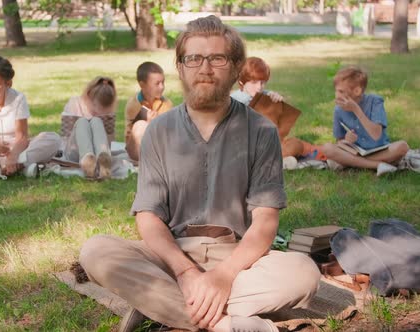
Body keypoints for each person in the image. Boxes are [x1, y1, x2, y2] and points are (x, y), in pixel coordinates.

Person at [79, 16, 320, 332]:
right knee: (96, 251)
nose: (205, 68)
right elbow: (148, 217)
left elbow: (265, 221)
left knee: (304, 273)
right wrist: (185, 272)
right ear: (180, 68)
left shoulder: (261, 130)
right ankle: (222, 324)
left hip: (239, 258)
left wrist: (223, 276)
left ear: (235, 69)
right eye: (194, 58)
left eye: (217, 58)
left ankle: (166, 305)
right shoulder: (159, 131)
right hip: (170, 256)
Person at [0, 56, 61, 176]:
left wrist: (13, 156)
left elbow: (22, 138)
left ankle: (3, 169)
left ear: (8, 83)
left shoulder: (18, 99)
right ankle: (23, 167)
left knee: (53, 138)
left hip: (18, 149)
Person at [231, 57, 326, 166]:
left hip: (268, 145)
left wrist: (277, 101)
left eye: (262, 83)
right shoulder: (234, 100)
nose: (258, 87)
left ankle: (280, 160)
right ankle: (278, 161)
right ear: (241, 81)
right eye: (254, 82)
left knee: (295, 144)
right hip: (245, 149)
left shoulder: (265, 95)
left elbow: (279, 127)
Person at [321, 66, 409, 176]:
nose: (336, 95)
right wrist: (346, 140)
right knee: (326, 148)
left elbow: (376, 135)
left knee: (402, 147)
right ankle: (377, 165)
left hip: (379, 151)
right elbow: (339, 141)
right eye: (336, 91)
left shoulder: (375, 102)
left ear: (357, 91)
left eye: (341, 91)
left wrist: (356, 109)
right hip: (354, 152)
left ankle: (351, 162)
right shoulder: (338, 109)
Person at [61, 76, 117, 179]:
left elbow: (110, 141)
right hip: (73, 152)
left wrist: (107, 125)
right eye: (94, 112)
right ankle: (87, 160)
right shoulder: (74, 104)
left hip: (98, 150)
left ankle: (103, 159)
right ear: (87, 96)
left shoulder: (108, 112)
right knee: (82, 121)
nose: (96, 113)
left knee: (96, 121)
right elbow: (65, 137)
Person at [124, 62, 173, 161]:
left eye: (163, 82)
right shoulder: (133, 104)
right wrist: (150, 124)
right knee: (141, 125)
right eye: (157, 83)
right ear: (142, 85)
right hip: (135, 148)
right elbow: (131, 135)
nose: (162, 87)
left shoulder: (167, 104)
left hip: (160, 146)